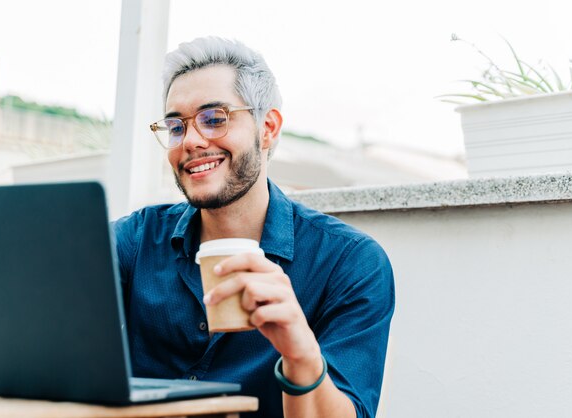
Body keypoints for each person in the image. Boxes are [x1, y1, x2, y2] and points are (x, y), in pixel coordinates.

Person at [113, 37, 395, 418]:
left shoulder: (349, 264)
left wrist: (300, 353)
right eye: (176, 126)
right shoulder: (132, 243)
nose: (191, 141)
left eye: (214, 118)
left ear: (268, 128)